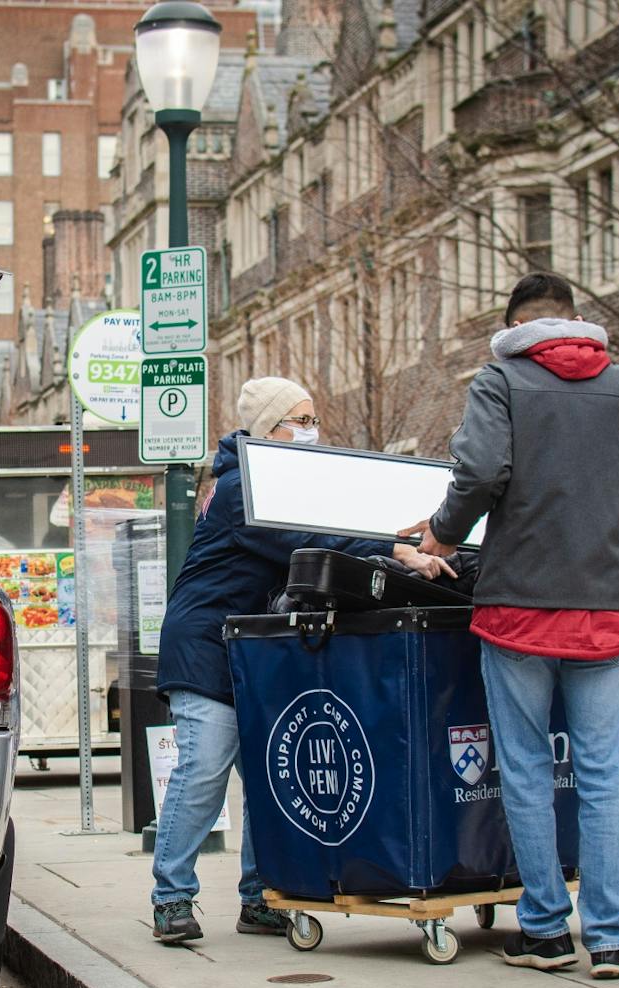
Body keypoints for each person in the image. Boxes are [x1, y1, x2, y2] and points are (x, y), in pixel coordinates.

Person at [401, 273, 619, 981]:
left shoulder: (502, 380)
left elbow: (479, 469)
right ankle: (609, 938)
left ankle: (543, 930)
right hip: (604, 604)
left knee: (527, 770)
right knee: (605, 775)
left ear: (513, 327)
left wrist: (444, 538)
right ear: (577, 324)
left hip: (518, 604)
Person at [150, 376, 455, 945]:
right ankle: (172, 895)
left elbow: (333, 530)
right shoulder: (244, 485)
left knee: (265, 780)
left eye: (313, 419)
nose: (311, 431)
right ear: (268, 429)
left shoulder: (277, 481)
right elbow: (305, 539)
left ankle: (257, 897)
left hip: (250, 647)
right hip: (205, 645)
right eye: (300, 420)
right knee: (204, 772)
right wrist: (394, 550)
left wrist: (408, 542)